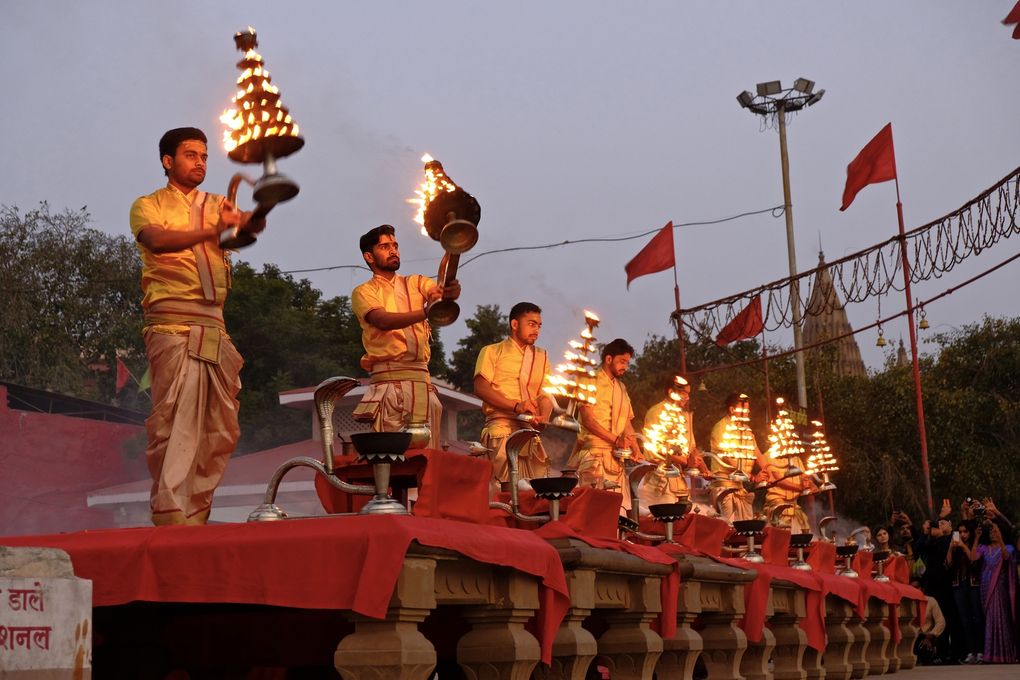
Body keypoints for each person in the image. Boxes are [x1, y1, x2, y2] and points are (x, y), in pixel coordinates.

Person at [130, 127, 262, 526]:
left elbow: (242, 237)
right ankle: (170, 512)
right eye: (190, 155)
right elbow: (157, 241)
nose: (200, 162)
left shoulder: (217, 204)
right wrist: (215, 230)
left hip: (215, 330)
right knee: (174, 421)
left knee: (219, 427)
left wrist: (250, 221)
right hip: (171, 325)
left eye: (204, 155)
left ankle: (197, 513)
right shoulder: (147, 204)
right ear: (168, 161)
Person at [351, 225, 459, 449]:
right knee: (395, 464)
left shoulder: (417, 282)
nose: (393, 251)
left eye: (395, 245)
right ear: (369, 256)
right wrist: (426, 312)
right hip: (389, 388)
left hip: (423, 385)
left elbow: (435, 291)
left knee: (428, 464)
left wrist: (447, 292)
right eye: (385, 246)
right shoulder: (364, 291)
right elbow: (382, 320)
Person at [473, 302, 553, 486]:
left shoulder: (542, 357)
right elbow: (480, 388)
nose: (536, 330)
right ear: (515, 324)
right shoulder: (492, 351)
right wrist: (516, 406)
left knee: (534, 496)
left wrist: (544, 417)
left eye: (539, 326)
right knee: (505, 491)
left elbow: (545, 394)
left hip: (530, 434)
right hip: (501, 430)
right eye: (531, 324)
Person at [569, 338, 642, 511]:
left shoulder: (622, 388)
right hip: (594, 456)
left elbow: (626, 423)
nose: (625, 366)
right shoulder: (588, 379)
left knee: (619, 512)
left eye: (627, 363)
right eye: (622, 361)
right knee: (594, 510)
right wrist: (616, 440)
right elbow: (588, 420)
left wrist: (636, 448)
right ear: (608, 359)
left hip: (616, 460)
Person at [635, 376, 709, 513]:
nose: (687, 398)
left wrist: (704, 470)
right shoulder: (656, 412)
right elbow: (657, 450)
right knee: (664, 525)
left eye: (688, 394)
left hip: (678, 482)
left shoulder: (685, 416)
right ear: (670, 392)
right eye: (683, 393)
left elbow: (691, 448)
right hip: (659, 481)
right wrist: (686, 462)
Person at [707, 393, 768, 522]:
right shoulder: (721, 428)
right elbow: (729, 459)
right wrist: (752, 477)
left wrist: (769, 473)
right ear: (732, 409)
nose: (748, 411)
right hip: (724, 488)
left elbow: (757, 453)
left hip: (740, 488)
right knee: (727, 528)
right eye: (745, 408)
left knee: (746, 530)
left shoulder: (747, 430)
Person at [973, 522, 1018, 663]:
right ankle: (990, 655)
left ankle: (1004, 655)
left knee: (1001, 618)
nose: (993, 534)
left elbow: (1006, 557)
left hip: (1000, 587)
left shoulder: (1009, 547)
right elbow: (972, 557)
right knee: (990, 620)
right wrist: (976, 538)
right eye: (991, 532)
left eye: (996, 531)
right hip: (986, 588)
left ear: (1001, 532)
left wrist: (1001, 540)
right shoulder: (984, 548)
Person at [946, 520, 984, 664]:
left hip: (973, 584)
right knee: (965, 620)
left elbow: (973, 560)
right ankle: (970, 652)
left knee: (977, 618)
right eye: (960, 532)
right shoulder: (955, 547)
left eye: (965, 531)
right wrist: (950, 548)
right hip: (958, 585)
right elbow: (947, 564)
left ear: (970, 532)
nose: (962, 534)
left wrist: (963, 546)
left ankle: (980, 651)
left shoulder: (976, 544)